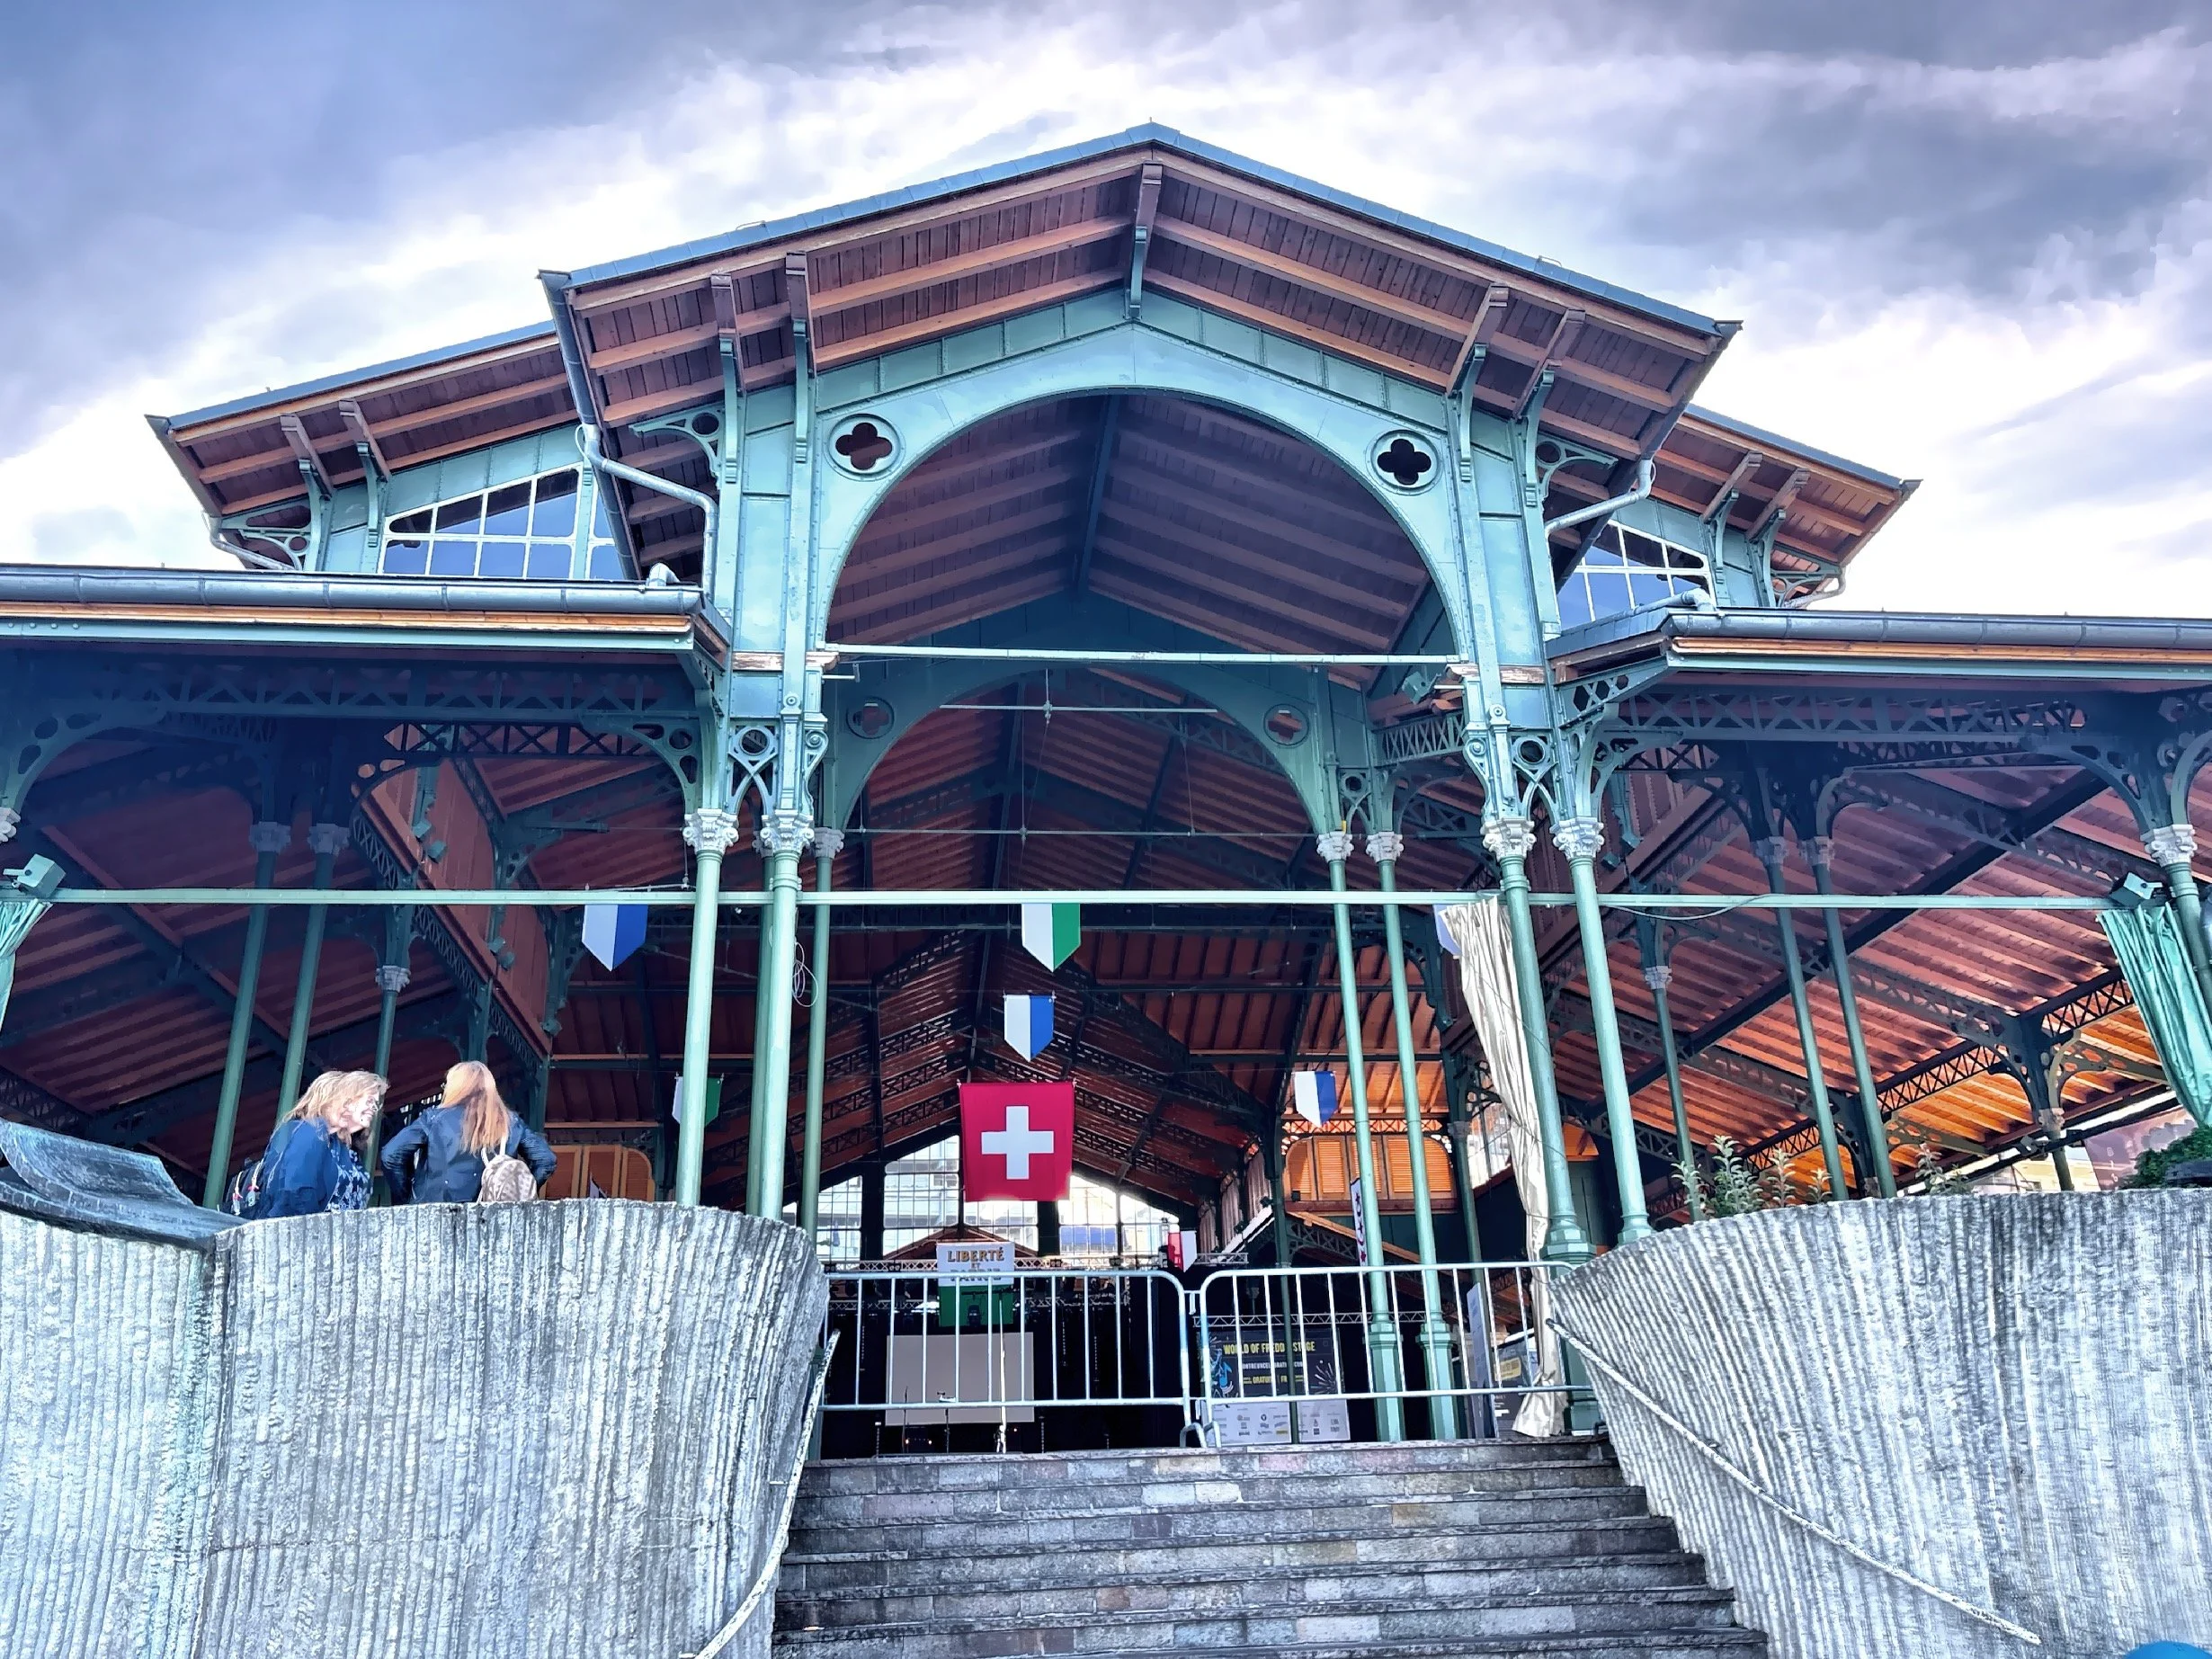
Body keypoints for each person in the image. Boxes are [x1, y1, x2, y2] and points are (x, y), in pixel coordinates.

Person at [379, 1059, 556, 1204]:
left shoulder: (434, 1118)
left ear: (457, 1087)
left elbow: (391, 1154)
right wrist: (515, 1195)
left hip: (435, 1213)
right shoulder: (511, 1122)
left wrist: (407, 1197)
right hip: (489, 1217)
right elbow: (546, 1160)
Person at [249, 1069, 385, 1217]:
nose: (373, 1109)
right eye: (369, 1101)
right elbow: (297, 1193)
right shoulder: (308, 1131)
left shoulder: (334, 1145)